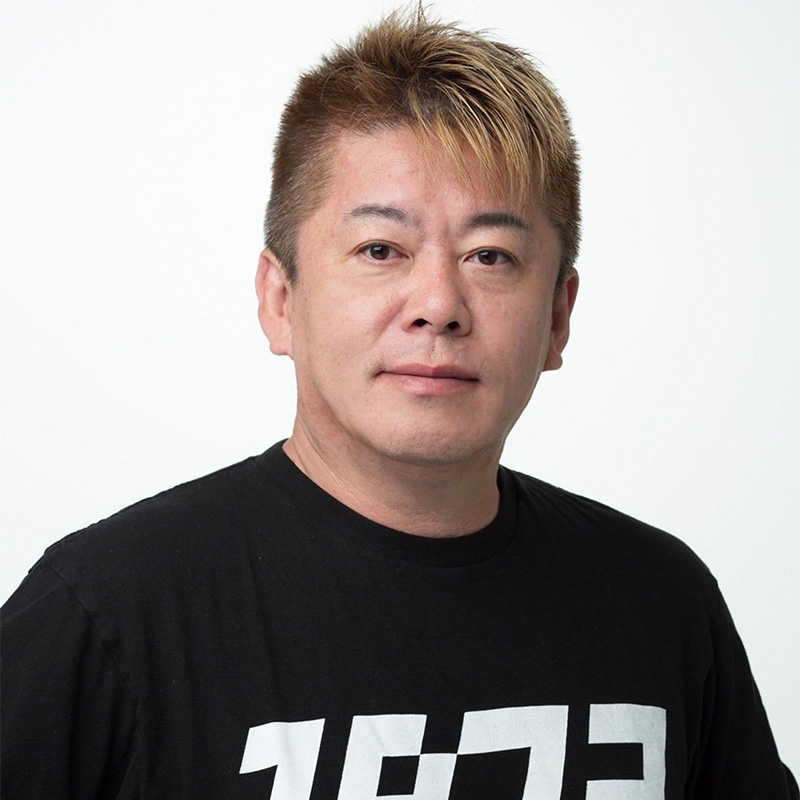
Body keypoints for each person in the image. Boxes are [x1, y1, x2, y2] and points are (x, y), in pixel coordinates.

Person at [1, 8, 795, 799]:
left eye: (491, 256)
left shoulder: (658, 603)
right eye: (381, 249)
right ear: (281, 299)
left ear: (558, 317)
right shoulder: (111, 611)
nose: (439, 304)